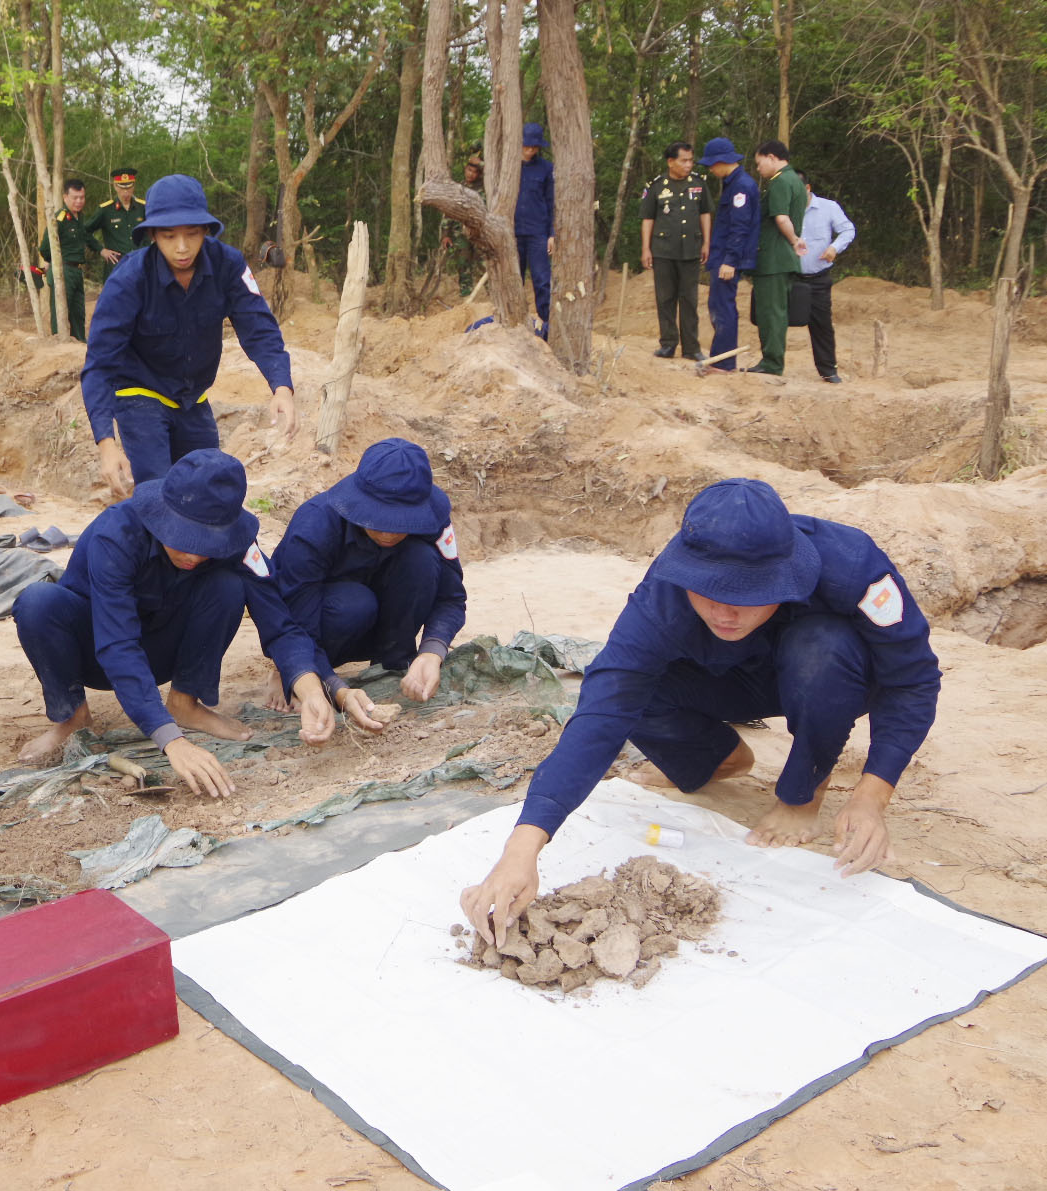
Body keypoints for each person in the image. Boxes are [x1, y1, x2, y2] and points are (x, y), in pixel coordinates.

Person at [460, 478, 940, 946]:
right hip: (728, 675)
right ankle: (717, 758)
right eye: (709, 593)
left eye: (748, 596)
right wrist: (523, 847)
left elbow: (913, 679)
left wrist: (872, 796)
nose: (726, 612)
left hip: (823, 677)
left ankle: (803, 792)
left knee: (822, 650)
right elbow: (604, 710)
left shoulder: (852, 566)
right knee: (627, 687)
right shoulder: (662, 597)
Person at [13, 449, 380, 797]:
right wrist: (170, 740)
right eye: (183, 538)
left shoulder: (239, 542)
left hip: (165, 646)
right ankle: (72, 717)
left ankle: (185, 702)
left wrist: (314, 689)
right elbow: (117, 644)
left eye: (206, 542)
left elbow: (280, 622)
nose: (192, 552)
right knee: (37, 602)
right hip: (96, 647)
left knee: (227, 585)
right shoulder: (116, 534)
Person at [82, 174, 297, 499]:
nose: (181, 247)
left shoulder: (229, 266)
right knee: (157, 495)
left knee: (206, 492)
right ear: (153, 234)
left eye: (192, 234)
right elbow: (99, 363)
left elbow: (259, 327)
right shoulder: (129, 279)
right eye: (169, 236)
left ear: (206, 230)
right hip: (140, 394)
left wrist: (281, 387)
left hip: (192, 398)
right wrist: (106, 444)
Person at [266, 439, 466, 716]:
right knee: (355, 604)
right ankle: (295, 671)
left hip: (385, 624)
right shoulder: (314, 525)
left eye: (402, 523)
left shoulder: (434, 521)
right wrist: (329, 686)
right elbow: (293, 622)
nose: (389, 532)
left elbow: (451, 598)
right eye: (378, 520)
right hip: (326, 621)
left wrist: (432, 652)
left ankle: (393, 663)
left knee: (421, 559)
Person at [639, 141, 713, 360]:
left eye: (691, 160)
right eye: (684, 160)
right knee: (665, 298)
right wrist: (646, 248)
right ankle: (668, 344)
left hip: (690, 249)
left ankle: (691, 348)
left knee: (689, 300)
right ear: (671, 162)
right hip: (663, 250)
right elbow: (648, 218)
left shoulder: (699, 183)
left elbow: (705, 214)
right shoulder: (656, 186)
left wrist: (707, 243)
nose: (688, 165)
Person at [747, 141, 808, 376]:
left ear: (771, 157)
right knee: (775, 311)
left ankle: (772, 363)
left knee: (770, 312)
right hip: (781, 259)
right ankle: (771, 360)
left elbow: (781, 218)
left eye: (759, 163)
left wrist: (794, 240)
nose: (758, 169)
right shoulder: (795, 180)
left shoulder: (781, 181)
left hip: (773, 258)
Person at [700, 137, 760, 374]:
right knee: (717, 305)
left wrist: (730, 260)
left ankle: (724, 364)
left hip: (728, 258)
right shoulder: (732, 183)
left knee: (723, 307)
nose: (711, 170)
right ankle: (720, 359)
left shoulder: (741, 187)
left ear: (722, 161)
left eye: (712, 165)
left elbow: (740, 227)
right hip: (721, 254)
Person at [798, 175, 854, 384]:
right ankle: (772, 365)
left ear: (808, 188)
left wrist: (834, 248)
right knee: (776, 319)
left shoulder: (828, 207)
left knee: (821, 323)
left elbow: (848, 230)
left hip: (818, 277)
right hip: (790, 276)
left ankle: (828, 369)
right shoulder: (784, 209)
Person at [38, 177, 98, 341]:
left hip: (76, 271)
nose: (79, 201)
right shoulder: (60, 218)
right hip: (63, 270)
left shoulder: (80, 218)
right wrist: (54, 262)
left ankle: (79, 345)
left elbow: (86, 237)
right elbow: (44, 247)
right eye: (75, 198)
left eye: (82, 197)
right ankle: (59, 344)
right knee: (61, 312)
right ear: (65, 198)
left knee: (78, 313)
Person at [515, 122, 556, 328]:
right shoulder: (509, 166)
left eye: (534, 147)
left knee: (542, 279)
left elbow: (552, 203)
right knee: (514, 278)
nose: (530, 150)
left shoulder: (546, 169)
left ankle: (547, 322)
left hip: (537, 232)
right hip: (512, 233)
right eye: (526, 145)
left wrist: (552, 234)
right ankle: (515, 322)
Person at [84, 167, 147, 280]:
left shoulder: (143, 208)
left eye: (129, 187)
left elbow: (153, 231)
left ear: (134, 186)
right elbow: (84, 231)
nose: (126, 191)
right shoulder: (106, 210)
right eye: (122, 188)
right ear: (115, 186)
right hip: (117, 267)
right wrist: (101, 250)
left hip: (140, 265)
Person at [440, 153, 485, 296]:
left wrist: (481, 164)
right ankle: (466, 295)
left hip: (480, 232)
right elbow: (449, 211)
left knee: (484, 263)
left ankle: (492, 295)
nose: (471, 174)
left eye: (475, 172)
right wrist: (446, 235)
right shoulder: (458, 188)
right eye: (469, 170)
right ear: (465, 169)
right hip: (460, 234)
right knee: (463, 264)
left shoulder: (484, 187)